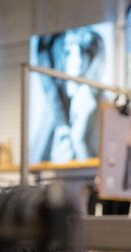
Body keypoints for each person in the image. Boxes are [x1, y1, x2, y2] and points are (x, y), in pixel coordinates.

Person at [32, 28, 105, 163]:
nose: (77, 61)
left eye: (83, 53)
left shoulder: (93, 104)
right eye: (68, 52)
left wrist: (78, 138)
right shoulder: (52, 120)